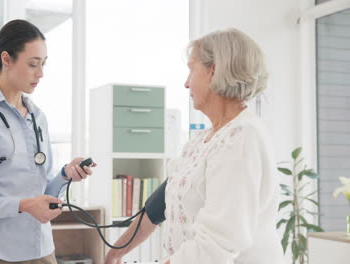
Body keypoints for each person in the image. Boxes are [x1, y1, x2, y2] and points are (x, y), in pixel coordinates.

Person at [105, 28, 284, 264]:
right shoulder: (204, 140)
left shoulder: (240, 138)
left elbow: (219, 241)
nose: (186, 83)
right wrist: (116, 252)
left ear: (215, 70)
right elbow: (162, 202)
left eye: (192, 69)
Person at [0, 19, 96, 264]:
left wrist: (65, 174)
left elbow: (43, 192)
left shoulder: (38, 117)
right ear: (6, 59)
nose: (40, 73)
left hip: (41, 251)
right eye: (32, 64)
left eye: (43, 64)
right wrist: (23, 205)